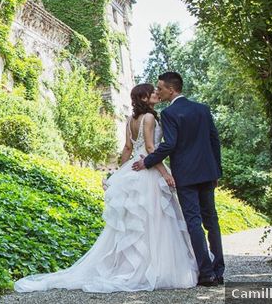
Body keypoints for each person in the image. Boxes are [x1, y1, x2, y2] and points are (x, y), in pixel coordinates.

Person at [14, 83, 198, 293]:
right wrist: (165, 173)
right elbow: (149, 148)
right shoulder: (149, 118)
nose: (156, 93)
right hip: (147, 169)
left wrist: (120, 173)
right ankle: (153, 267)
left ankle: (136, 265)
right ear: (144, 98)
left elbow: (127, 148)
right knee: (153, 218)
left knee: (136, 222)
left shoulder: (130, 120)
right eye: (152, 92)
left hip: (133, 168)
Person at [132, 71, 224, 286]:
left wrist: (147, 161)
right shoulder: (202, 109)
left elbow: (169, 144)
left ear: (171, 90)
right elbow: (214, 141)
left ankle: (206, 273)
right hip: (207, 172)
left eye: (161, 88)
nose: (159, 91)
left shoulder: (170, 113)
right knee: (212, 220)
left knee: (194, 221)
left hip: (186, 175)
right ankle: (219, 271)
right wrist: (217, 171)